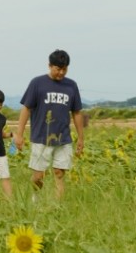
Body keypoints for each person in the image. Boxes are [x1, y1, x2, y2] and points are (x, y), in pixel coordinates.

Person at [13, 49, 84, 200]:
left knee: (59, 173)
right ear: (50, 66)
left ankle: (57, 207)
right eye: (58, 69)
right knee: (39, 176)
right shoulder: (37, 83)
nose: (61, 73)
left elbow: (77, 113)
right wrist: (19, 135)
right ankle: (35, 199)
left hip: (63, 138)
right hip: (41, 137)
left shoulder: (71, 86)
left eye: (64, 69)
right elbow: (26, 108)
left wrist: (81, 138)